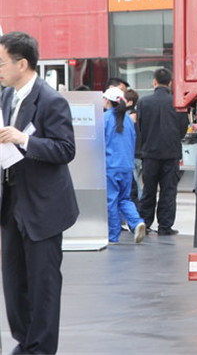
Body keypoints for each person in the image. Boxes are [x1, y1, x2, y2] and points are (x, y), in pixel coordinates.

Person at [0, 31, 79, 354]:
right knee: (14, 282)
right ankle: (25, 341)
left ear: (22, 64)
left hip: (44, 207)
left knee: (43, 284)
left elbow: (65, 149)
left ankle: (41, 348)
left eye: (1, 62)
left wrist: (24, 140)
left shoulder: (50, 100)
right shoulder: (7, 96)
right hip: (11, 201)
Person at [137, 68, 188, 236]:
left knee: (148, 190)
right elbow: (183, 128)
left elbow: (140, 127)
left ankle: (145, 223)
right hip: (171, 154)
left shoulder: (144, 102)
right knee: (168, 191)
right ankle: (165, 227)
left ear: (154, 82)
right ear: (170, 83)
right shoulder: (177, 102)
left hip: (149, 154)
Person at [102, 86, 146, 245]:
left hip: (110, 166)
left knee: (111, 201)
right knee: (124, 199)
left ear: (108, 101)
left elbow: (99, 142)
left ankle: (113, 236)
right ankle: (136, 222)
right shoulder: (128, 120)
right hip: (126, 166)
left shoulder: (105, 118)